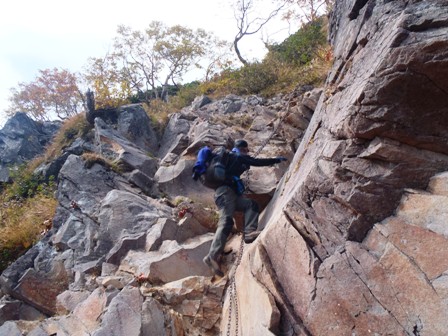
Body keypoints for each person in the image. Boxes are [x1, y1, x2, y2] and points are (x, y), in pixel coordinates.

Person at [202, 139, 287, 276]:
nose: (247, 152)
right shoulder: (237, 155)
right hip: (224, 193)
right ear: (241, 148)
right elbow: (256, 162)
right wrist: (276, 160)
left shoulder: (233, 159)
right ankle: (212, 256)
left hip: (230, 194)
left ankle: (249, 232)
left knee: (251, 205)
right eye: (246, 150)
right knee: (226, 221)